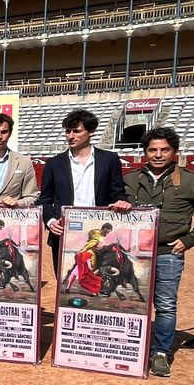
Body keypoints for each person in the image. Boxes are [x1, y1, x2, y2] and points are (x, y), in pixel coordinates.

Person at [123, 127, 194, 377]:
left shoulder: (192, 181)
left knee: (165, 305)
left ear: (175, 151)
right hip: (133, 253)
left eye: (164, 149)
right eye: (152, 150)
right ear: (144, 152)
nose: (158, 154)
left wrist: (190, 240)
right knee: (129, 300)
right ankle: (127, 347)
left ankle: (160, 353)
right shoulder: (129, 179)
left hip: (168, 252)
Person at [37, 109, 131, 267]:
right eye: (68, 131)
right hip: (64, 232)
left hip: (99, 231)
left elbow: (118, 192)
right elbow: (45, 199)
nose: (71, 136)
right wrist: (51, 221)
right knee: (64, 282)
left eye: (77, 131)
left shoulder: (109, 160)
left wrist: (122, 201)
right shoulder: (54, 163)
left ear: (91, 132)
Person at [63, 223, 111, 296]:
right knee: (89, 273)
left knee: (76, 270)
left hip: (85, 254)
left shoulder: (96, 232)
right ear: (103, 229)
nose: (106, 234)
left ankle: (68, 287)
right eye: (106, 232)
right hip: (90, 255)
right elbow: (90, 245)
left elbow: (89, 240)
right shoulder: (98, 238)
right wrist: (82, 251)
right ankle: (93, 291)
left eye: (108, 232)